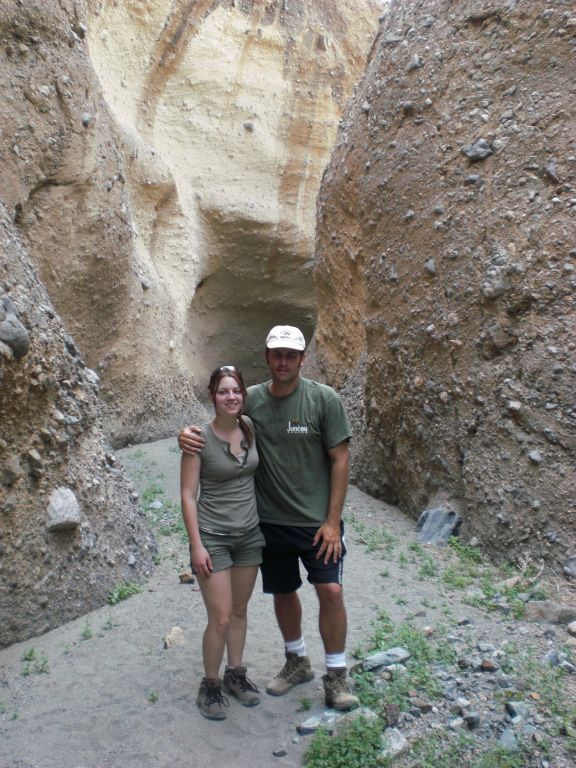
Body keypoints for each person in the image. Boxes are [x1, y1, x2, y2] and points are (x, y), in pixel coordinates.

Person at [179, 326, 359, 711]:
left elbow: (340, 459)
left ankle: (337, 672)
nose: (283, 361)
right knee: (283, 591)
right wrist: (185, 435)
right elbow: (219, 422)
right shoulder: (253, 402)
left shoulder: (324, 400)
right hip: (270, 523)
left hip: (316, 523)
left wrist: (332, 521)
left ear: (302, 359)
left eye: (290, 355)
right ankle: (296, 661)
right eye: (276, 354)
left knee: (330, 591)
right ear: (267, 357)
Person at [180, 365, 265, 720]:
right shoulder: (198, 439)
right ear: (212, 396)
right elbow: (187, 495)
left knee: (240, 611)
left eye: (236, 391)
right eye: (223, 391)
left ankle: (236, 674)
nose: (231, 397)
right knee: (220, 618)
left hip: (248, 536)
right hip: (213, 538)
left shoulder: (250, 427)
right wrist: (196, 546)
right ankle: (210, 685)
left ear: (243, 395)